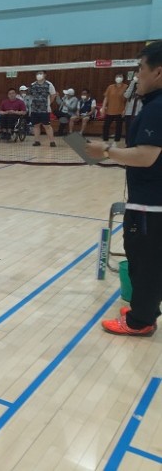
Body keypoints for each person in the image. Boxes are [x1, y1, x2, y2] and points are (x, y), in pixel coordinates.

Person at [85, 40, 162, 336]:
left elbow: (145, 155)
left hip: (150, 205)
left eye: (141, 69)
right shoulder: (153, 105)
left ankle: (140, 322)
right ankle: (146, 310)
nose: (136, 75)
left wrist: (106, 151)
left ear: (158, 72)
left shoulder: (157, 109)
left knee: (144, 261)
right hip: (150, 200)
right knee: (147, 259)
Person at [29, 71, 57, 147]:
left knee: (47, 126)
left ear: (45, 75)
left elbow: (53, 95)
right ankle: (37, 141)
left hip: (45, 110)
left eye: (41, 73)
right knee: (36, 125)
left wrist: (48, 103)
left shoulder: (49, 84)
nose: (39, 75)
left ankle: (52, 142)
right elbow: (31, 95)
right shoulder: (33, 85)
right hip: (34, 109)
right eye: (37, 73)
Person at [101, 72, 127, 145]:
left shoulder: (126, 87)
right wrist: (103, 107)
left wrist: (125, 109)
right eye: (117, 76)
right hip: (110, 110)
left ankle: (116, 141)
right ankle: (105, 140)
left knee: (119, 127)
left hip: (120, 110)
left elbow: (128, 100)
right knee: (106, 126)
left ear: (123, 78)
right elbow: (106, 98)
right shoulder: (110, 87)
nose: (118, 78)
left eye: (120, 76)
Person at [123, 72, 143, 143]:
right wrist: (132, 82)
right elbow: (126, 95)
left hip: (138, 113)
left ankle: (136, 143)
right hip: (129, 113)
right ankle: (128, 144)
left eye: (138, 75)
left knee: (137, 130)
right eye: (135, 75)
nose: (137, 77)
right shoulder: (131, 87)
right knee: (128, 130)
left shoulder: (144, 87)